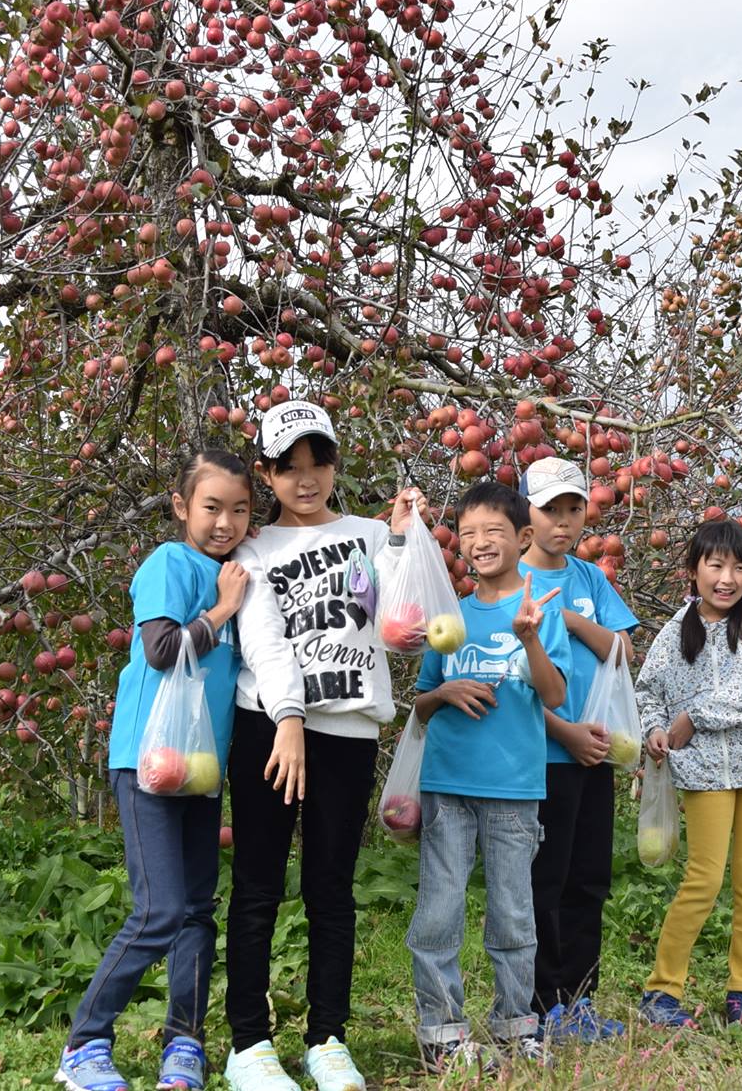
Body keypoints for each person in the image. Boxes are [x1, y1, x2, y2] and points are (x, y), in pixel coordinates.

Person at [56, 450, 255, 1091]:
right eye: (212, 507)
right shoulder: (171, 564)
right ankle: (85, 1044)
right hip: (148, 757)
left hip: (200, 763)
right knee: (160, 910)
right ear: (181, 507)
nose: (226, 522)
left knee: (197, 909)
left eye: (240, 510)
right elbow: (164, 651)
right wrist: (222, 611)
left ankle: (184, 1043)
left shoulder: (239, 572)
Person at [222, 402, 396, 1091]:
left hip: (349, 729)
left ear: (334, 464)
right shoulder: (254, 547)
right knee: (259, 886)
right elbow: (262, 638)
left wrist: (411, 544)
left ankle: (328, 1037)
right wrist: (288, 717)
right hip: (268, 727)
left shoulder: (374, 535)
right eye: (287, 467)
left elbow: (411, 614)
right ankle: (248, 1046)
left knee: (331, 888)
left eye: (316, 462)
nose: (305, 479)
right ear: (264, 473)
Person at [408, 481, 572, 1072]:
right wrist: (444, 691)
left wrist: (528, 638)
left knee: (513, 913)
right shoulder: (448, 618)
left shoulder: (536, 611)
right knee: (439, 911)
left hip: (514, 790)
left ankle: (515, 1025)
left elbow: (554, 695)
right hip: (448, 786)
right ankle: (441, 1031)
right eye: (469, 534)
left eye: (494, 533)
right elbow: (421, 703)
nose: (479, 543)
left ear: (523, 538)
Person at [634, 519, 742, 1029]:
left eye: (740, 567)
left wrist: (693, 716)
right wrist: (656, 729)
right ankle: (662, 992)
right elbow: (647, 690)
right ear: (694, 569)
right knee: (702, 880)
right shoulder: (677, 629)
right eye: (716, 565)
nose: (728, 578)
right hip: (702, 773)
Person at [518, 457, 636, 1041]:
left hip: (598, 752)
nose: (563, 522)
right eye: (550, 511)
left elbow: (623, 651)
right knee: (546, 881)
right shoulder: (511, 581)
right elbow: (502, 681)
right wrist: (564, 733)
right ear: (526, 516)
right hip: (544, 757)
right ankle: (542, 1003)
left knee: (589, 877)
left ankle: (581, 999)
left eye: (573, 510)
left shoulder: (590, 579)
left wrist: (564, 616)